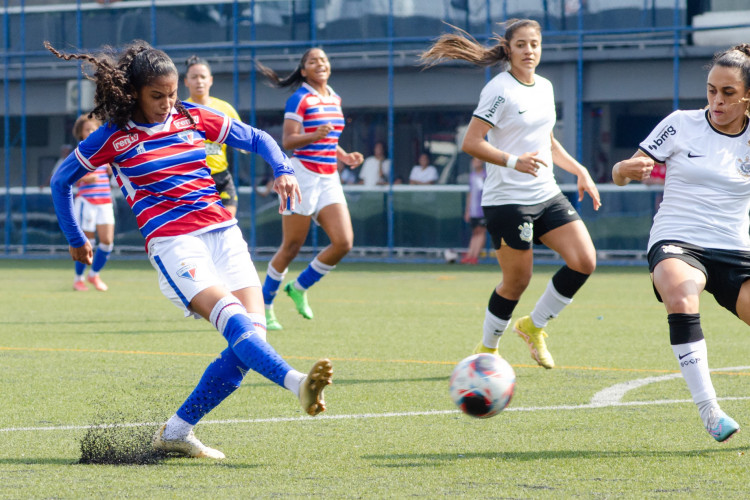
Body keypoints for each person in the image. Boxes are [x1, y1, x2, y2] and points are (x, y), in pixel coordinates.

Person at [45, 40, 333, 459]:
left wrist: (284, 169)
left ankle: (178, 431)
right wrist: (76, 237)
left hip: (224, 233)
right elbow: (60, 182)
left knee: (250, 340)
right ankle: (297, 383)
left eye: (172, 94)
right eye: (157, 96)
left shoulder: (191, 115)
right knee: (238, 328)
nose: (167, 103)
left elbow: (258, 139)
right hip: (173, 243)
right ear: (135, 94)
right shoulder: (113, 137)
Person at [420, 19, 601, 369]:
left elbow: (548, 142)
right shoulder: (499, 90)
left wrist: (580, 171)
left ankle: (533, 327)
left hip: (546, 191)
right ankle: (487, 350)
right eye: (521, 44)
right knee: (517, 281)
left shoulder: (546, 87)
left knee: (584, 260)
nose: (529, 50)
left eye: (534, 44)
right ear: (509, 49)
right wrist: (513, 161)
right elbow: (470, 142)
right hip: (508, 200)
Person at [611, 44, 750, 442]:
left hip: (734, 248)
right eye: (711, 90)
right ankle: (710, 411)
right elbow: (623, 173)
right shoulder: (680, 123)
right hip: (677, 237)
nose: (716, 101)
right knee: (682, 293)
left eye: (727, 93)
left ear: (747, 96)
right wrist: (625, 169)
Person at [256, 48, 364, 331]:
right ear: (303, 70)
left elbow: (328, 140)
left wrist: (344, 156)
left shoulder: (334, 97)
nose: (320, 64)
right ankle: (264, 306)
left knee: (344, 242)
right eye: (313, 61)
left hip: (329, 177)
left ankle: (300, 286)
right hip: (301, 175)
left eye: (324, 59)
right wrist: (313, 135)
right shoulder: (300, 98)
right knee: (291, 247)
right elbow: (288, 141)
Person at [183, 55, 242, 218]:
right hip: (193, 180)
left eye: (203, 77)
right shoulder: (180, 112)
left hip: (222, 178)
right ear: (186, 81)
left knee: (229, 226)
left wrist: (245, 146)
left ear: (210, 80)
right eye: (194, 77)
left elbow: (243, 140)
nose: (199, 81)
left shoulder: (225, 109)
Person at [70, 114, 115, 291]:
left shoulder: (104, 150)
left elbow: (111, 170)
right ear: (80, 133)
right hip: (86, 201)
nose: (91, 132)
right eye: (87, 129)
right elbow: (71, 177)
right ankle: (78, 278)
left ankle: (94, 275)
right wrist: (86, 178)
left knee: (107, 242)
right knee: (87, 243)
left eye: (94, 129)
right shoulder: (79, 151)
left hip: (105, 201)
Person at [461, 157, 486, 265]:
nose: (477, 163)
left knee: (481, 231)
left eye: (479, 160)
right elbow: (470, 194)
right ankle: (470, 254)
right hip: (473, 210)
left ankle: (475, 256)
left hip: (483, 209)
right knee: (475, 232)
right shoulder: (472, 176)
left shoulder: (486, 175)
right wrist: (467, 210)